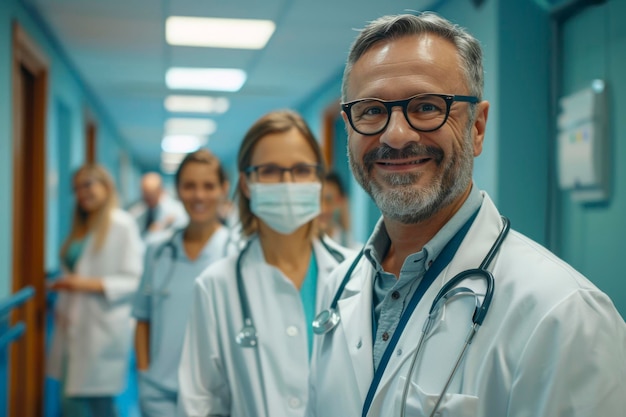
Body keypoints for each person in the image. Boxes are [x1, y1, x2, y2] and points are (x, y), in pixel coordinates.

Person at [306, 12, 626, 417]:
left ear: (477, 127)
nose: (396, 135)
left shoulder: (564, 315)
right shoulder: (340, 285)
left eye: (426, 106)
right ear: (350, 130)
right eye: (371, 111)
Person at [177, 110, 356, 417]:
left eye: (301, 170)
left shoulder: (358, 274)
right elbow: (198, 403)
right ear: (246, 183)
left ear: (318, 180)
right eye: (270, 171)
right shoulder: (216, 286)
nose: (287, 183)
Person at [132, 149, 235, 417]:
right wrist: (144, 375)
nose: (199, 195)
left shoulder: (238, 252)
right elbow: (143, 319)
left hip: (215, 397)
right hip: (158, 394)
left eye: (208, 186)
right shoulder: (157, 250)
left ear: (224, 189)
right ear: (177, 190)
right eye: (189, 186)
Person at [47, 163, 144, 417]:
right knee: (75, 401)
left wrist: (80, 284)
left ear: (106, 185)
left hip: (100, 328)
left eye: (88, 184)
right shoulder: (82, 227)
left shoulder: (121, 224)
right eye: (77, 188)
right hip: (72, 324)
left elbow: (134, 281)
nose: (82, 193)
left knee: (91, 403)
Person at [128, 171, 188, 242]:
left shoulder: (177, 210)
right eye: (145, 194)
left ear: (160, 191)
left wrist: (156, 230)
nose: (148, 199)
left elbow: (177, 236)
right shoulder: (137, 212)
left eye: (151, 195)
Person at [319, 171, 358, 249]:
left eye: (328, 200)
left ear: (341, 201)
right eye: (317, 200)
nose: (322, 209)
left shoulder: (355, 251)